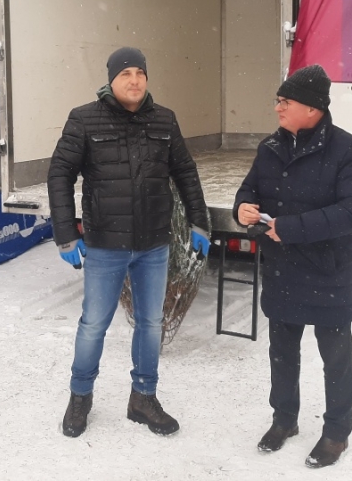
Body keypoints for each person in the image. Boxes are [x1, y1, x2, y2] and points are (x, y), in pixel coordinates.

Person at [47, 46, 211, 438]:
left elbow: (186, 172)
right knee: (94, 324)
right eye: (126, 74)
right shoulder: (84, 119)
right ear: (111, 79)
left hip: (154, 244)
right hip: (105, 245)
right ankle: (80, 397)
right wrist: (66, 233)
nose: (134, 80)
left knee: (150, 323)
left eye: (140, 73)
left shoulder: (164, 119)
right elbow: (59, 174)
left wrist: (200, 222)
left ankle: (143, 398)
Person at [233, 64, 352, 469]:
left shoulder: (349, 151)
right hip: (282, 268)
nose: (277, 107)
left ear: (312, 108)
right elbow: (250, 188)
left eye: (285, 101)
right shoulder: (270, 148)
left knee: (336, 358)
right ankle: (284, 420)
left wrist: (291, 228)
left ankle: (336, 433)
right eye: (278, 100)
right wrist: (243, 207)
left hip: (328, 270)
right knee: (282, 353)